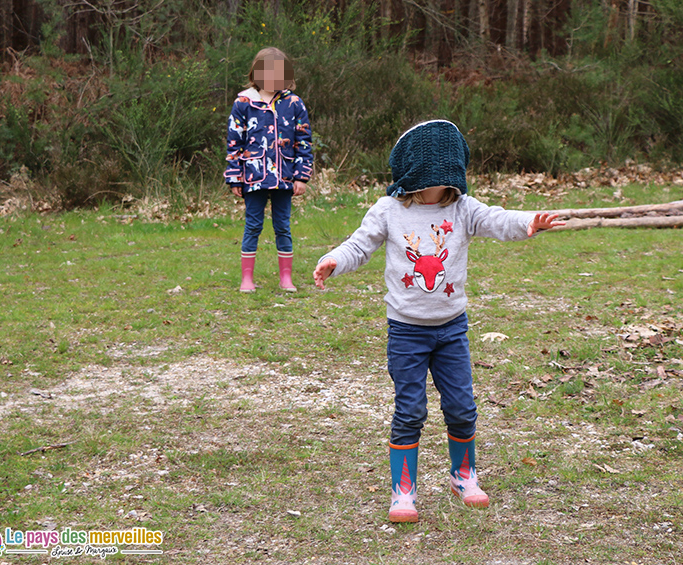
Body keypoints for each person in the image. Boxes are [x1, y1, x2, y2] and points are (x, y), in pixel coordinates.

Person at [313, 120, 564, 523]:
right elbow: (359, 245)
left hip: (451, 330)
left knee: (462, 407)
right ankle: (403, 492)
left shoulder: (463, 208)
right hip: (406, 332)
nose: (442, 177)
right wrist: (334, 261)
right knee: (410, 411)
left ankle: (463, 476)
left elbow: (497, 219)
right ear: (414, 169)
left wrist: (528, 222)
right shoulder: (388, 210)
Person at [224, 47, 313, 292]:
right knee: (253, 225)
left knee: (282, 226)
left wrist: (302, 176)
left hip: (285, 176)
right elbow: (235, 142)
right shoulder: (243, 102)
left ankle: (286, 279)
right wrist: (234, 177)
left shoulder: (294, 103)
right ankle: (247, 279)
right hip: (253, 176)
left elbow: (303, 141)